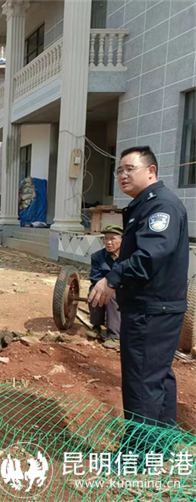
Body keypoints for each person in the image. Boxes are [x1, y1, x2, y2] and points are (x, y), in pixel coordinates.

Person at [89, 146, 188, 431]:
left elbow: (150, 255)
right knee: (157, 378)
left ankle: (137, 451)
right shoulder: (146, 205)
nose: (123, 175)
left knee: (142, 382)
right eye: (119, 170)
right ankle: (161, 443)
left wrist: (112, 279)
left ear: (151, 171)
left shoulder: (161, 206)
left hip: (151, 310)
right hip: (154, 306)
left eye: (130, 169)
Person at [88, 225, 123, 341]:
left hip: (124, 288)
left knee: (111, 295)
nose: (108, 242)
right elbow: (95, 277)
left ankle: (114, 336)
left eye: (112, 239)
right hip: (103, 286)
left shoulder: (129, 257)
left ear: (122, 240)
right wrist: (106, 286)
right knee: (95, 291)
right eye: (106, 239)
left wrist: (114, 286)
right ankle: (96, 327)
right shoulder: (97, 256)